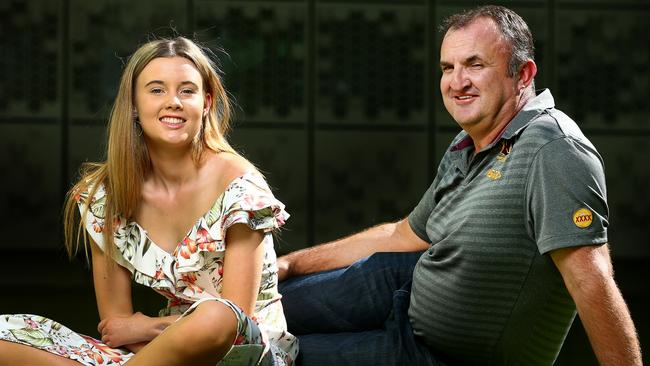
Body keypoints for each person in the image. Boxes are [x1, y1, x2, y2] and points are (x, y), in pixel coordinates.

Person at [277, 5, 642, 366]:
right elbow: (403, 234)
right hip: (403, 288)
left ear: (524, 74)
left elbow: (591, 281)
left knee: (269, 358)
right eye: (447, 68)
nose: (457, 81)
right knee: (257, 309)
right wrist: (292, 264)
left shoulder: (554, 150)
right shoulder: (467, 142)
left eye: (475, 65)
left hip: (433, 355)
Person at [0, 36, 298, 366]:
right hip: (156, 354)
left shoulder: (241, 188)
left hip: (246, 351)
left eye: (187, 90)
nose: (173, 101)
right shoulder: (106, 195)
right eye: (156, 90)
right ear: (133, 103)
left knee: (216, 315)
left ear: (207, 102)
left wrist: (146, 325)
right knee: (5, 333)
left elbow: (236, 322)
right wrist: (142, 333)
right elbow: (116, 328)